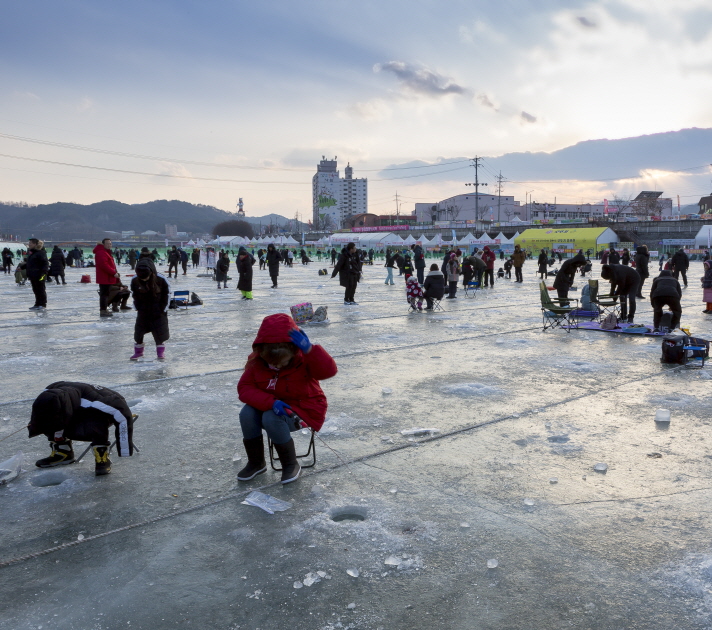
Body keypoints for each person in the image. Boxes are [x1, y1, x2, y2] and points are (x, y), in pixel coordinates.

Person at [236, 313, 337, 484]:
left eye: (283, 363)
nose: (277, 367)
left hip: (304, 407)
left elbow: (328, 372)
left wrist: (312, 351)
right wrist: (271, 402)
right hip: (271, 405)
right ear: (261, 352)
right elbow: (245, 388)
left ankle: (290, 464)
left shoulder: (304, 359)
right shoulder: (256, 363)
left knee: (270, 417)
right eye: (272, 363)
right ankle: (256, 463)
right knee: (246, 413)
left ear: (293, 351)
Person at [28, 381, 135, 475]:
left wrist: (124, 449)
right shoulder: (51, 390)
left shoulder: (104, 402)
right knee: (49, 420)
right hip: (78, 410)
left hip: (102, 414)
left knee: (95, 422)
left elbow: (124, 418)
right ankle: (63, 452)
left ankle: (102, 457)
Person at [130, 257, 170, 361]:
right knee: (139, 332)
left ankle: (160, 353)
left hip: (158, 310)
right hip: (143, 310)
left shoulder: (161, 279)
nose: (144, 280)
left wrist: (163, 308)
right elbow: (134, 295)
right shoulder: (134, 280)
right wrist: (138, 307)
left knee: (159, 332)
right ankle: (138, 352)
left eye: (146, 278)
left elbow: (167, 294)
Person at [94, 238, 121, 317]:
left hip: (107, 277)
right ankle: (103, 310)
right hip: (104, 277)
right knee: (104, 294)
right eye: (107, 243)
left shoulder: (106, 252)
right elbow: (104, 265)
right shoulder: (101, 253)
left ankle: (104, 309)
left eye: (110, 243)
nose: (109, 245)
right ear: (103, 244)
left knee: (106, 294)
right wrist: (113, 273)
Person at [26, 238, 49, 311]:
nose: (29, 244)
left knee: (41, 289)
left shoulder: (40, 253)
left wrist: (43, 273)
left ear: (35, 244)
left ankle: (42, 304)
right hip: (33, 274)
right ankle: (37, 303)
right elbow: (30, 263)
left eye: (31, 243)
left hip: (40, 274)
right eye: (29, 243)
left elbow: (45, 263)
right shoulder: (32, 253)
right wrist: (22, 267)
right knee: (35, 289)